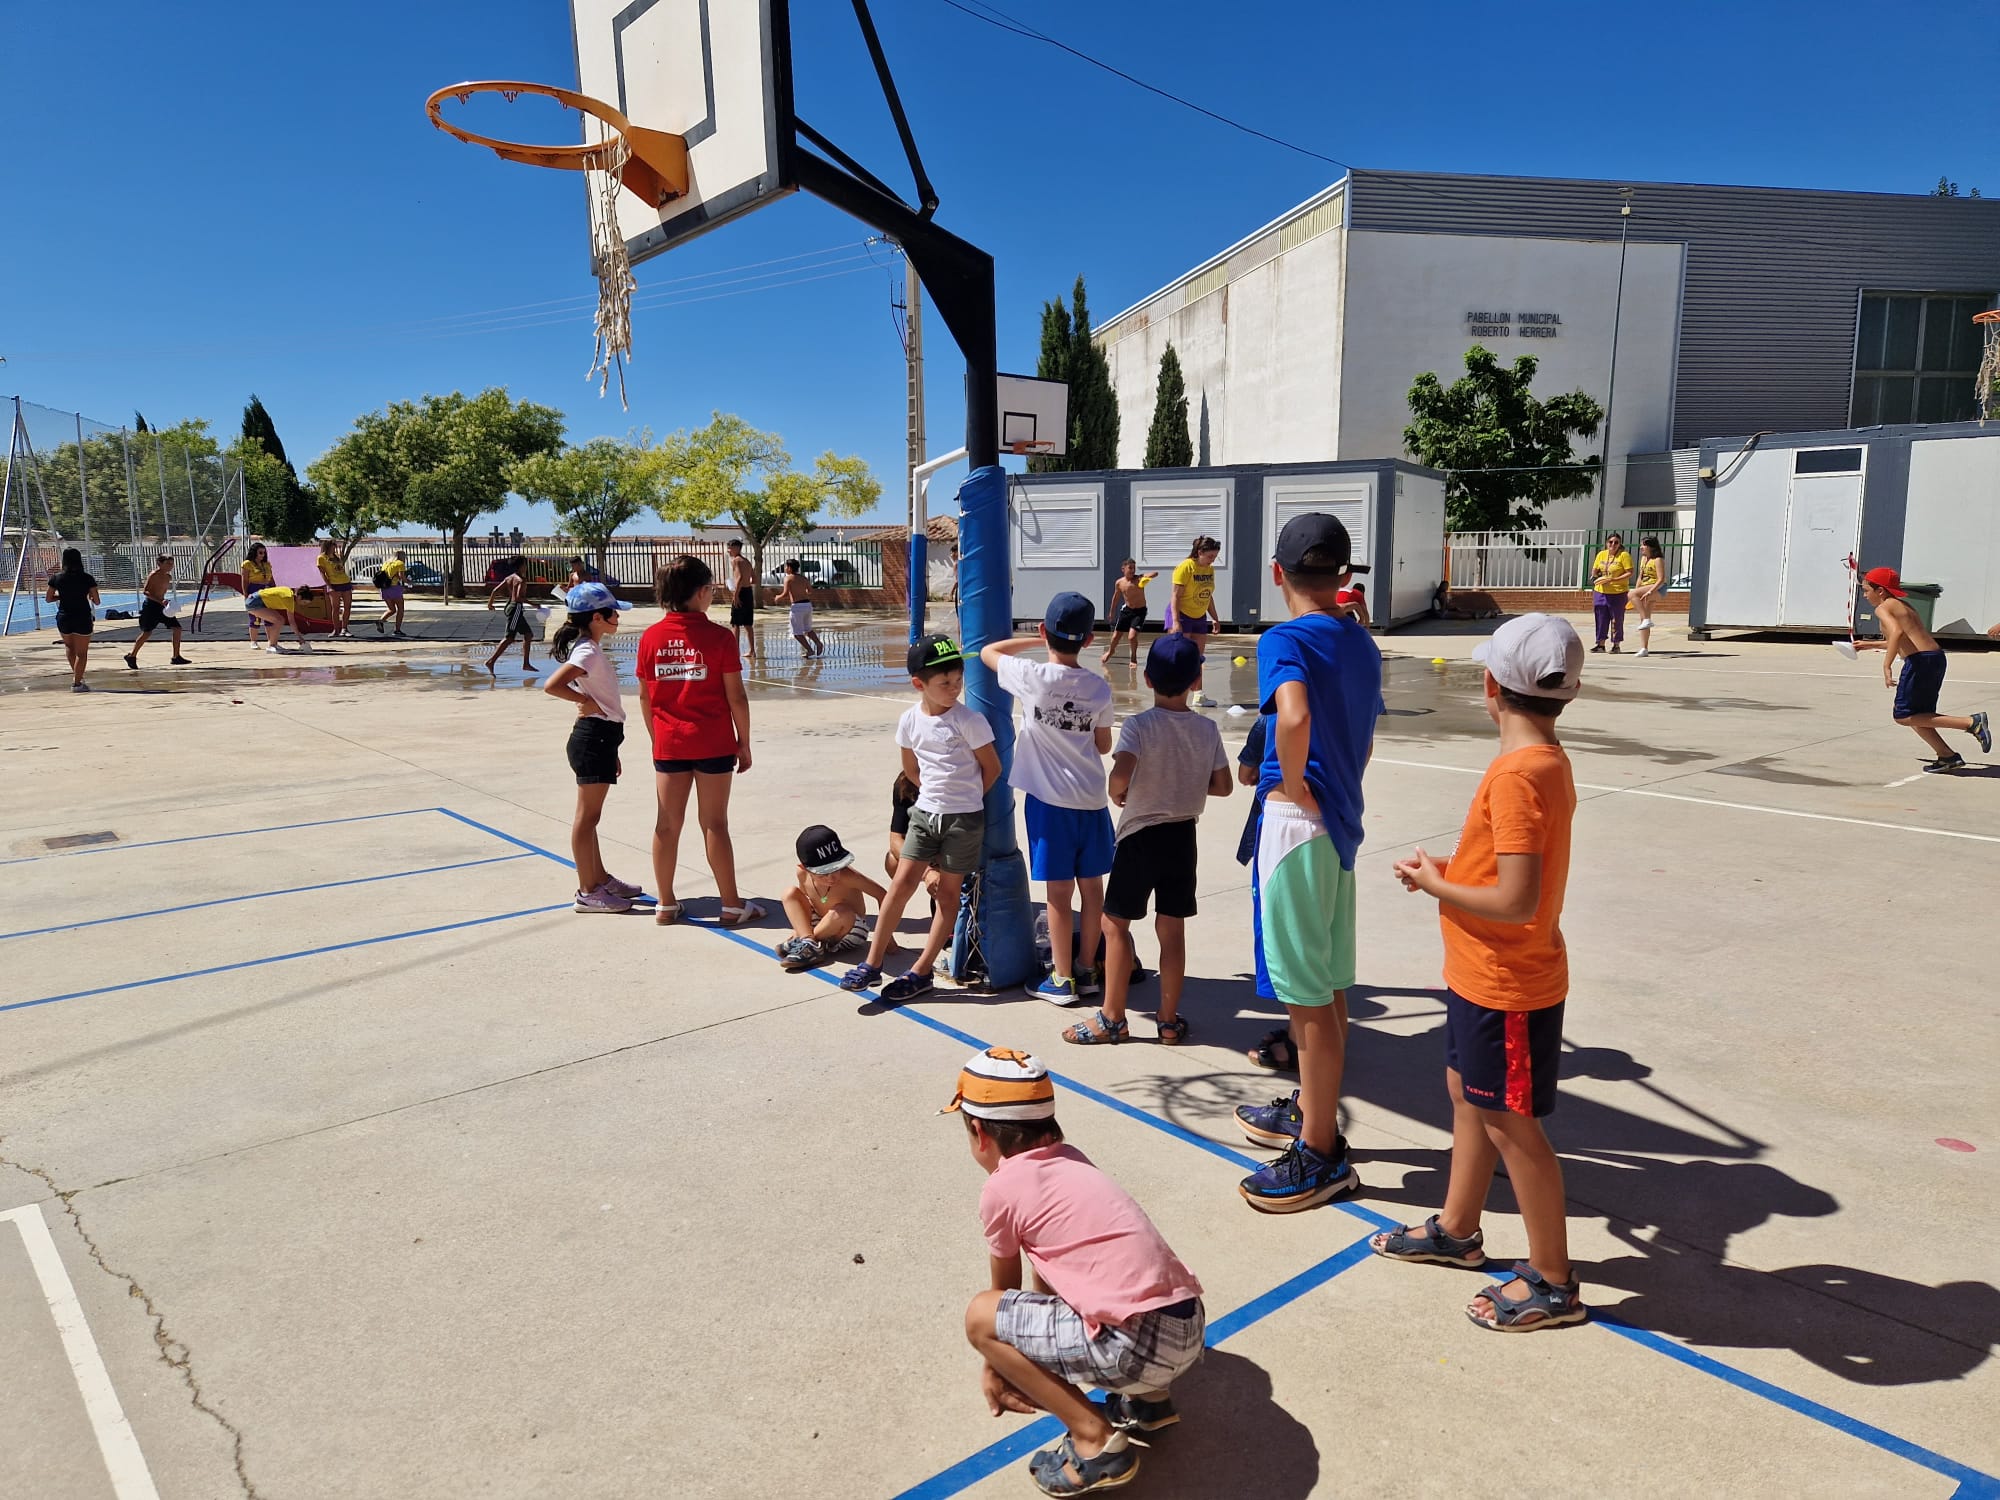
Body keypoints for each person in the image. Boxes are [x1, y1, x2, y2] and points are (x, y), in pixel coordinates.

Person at [1378, 612, 1589, 1332]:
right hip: (1480, 974)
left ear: (1491, 686)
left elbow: (1515, 897)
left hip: (1508, 983)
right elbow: (1502, 873)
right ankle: (1458, 1228)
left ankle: (1554, 1281)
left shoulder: (1515, 776)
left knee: (1511, 1125)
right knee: (1467, 1096)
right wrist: (1450, 870)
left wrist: (1436, 886)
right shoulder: (1546, 763)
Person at [948, 1048, 1205, 1496]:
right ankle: (1150, 1403)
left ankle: (1095, 1439)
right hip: (1188, 1326)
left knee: (980, 1317)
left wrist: (996, 1366)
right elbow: (1052, 1280)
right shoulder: (1071, 1160)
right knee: (1102, 1292)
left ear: (978, 1132)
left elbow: (1002, 1298)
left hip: (1137, 1349)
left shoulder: (1002, 1188)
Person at [1232, 514, 1379, 1213]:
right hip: (1341, 826)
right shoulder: (1361, 641)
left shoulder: (1282, 638)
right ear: (1344, 577)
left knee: (1306, 997)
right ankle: (1315, 1110)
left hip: (1296, 828)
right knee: (1328, 985)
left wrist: (1291, 783)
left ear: (1278, 573)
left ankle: (1320, 1151)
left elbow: (1291, 717)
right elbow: (1365, 735)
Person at [1063, 635, 1230, 1047]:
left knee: (1114, 923)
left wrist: (1122, 791)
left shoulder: (1139, 726)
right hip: (1182, 836)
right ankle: (1169, 1019)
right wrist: (1184, 784)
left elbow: (1119, 776)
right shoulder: (1206, 729)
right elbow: (1223, 785)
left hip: (1139, 837)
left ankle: (1112, 1017)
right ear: (1196, 682)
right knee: (1171, 930)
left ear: (1149, 679)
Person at [840, 635, 1000, 1002]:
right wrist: (933, 794)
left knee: (947, 894)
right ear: (919, 684)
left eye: (958, 680)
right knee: (900, 884)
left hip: (963, 819)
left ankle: (922, 969)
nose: (953, 688)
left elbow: (991, 768)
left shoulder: (968, 720)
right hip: (925, 814)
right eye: (944, 683)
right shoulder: (910, 720)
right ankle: (873, 962)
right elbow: (910, 768)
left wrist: (966, 797)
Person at [981, 594, 1116, 1005]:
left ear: (1044, 632)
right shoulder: (1098, 686)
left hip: (1050, 803)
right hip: (1092, 800)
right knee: (1092, 889)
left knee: (1058, 896)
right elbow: (1104, 743)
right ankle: (1087, 968)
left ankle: (1061, 978)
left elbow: (989, 652)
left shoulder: (1032, 675)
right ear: (1089, 640)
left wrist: (1035, 642)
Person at [636, 555, 760, 928]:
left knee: (666, 825)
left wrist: (657, 738)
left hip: (670, 745)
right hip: (714, 744)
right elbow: (736, 696)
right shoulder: (720, 638)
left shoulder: (650, 638)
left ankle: (666, 903)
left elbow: (644, 696)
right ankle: (731, 904)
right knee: (714, 824)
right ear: (702, 592)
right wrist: (745, 741)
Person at [542, 582, 648, 915]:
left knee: (592, 818)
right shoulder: (587, 650)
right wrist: (583, 700)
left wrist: (612, 749)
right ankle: (588, 891)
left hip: (603, 738)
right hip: (593, 737)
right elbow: (553, 685)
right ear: (597, 617)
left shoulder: (591, 647)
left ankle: (599, 878)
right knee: (586, 819)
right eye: (613, 612)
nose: (617, 617)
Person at [1855, 567, 1991, 772]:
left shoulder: (1883, 608)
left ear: (1880, 590)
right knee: (1919, 715)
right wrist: (1866, 645)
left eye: (1866, 590)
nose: (1865, 595)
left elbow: (1897, 633)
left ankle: (1971, 723)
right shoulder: (1903, 605)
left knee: (1902, 715)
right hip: (1933, 658)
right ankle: (1947, 756)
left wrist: (1886, 665)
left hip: (1920, 662)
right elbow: (1905, 639)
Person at [1234, 713, 1293, 1073]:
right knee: (1321, 948)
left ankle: (1299, 1044)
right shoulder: (1351, 694)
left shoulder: (1273, 716)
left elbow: (1246, 774)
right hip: (1338, 824)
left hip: (1287, 830)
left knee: (1286, 946)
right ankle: (1307, 1034)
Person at [776, 824, 887, 972]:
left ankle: (807, 943)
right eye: (823, 873)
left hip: (848, 929)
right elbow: (806, 901)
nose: (832, 878)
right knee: (789, 893)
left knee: (840, 912)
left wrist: (886, 938)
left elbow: (883, 895)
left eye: (836, 868)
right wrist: (801, 927)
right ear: (804, 868)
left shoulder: (849, 877)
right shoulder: (801, 874)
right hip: (821, 922)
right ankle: (808, 941)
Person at [1169, 536, 1222, 706]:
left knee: (1197, 657)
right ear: (1200, 552)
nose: (1212, 560)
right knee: (1182, 656)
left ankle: (1198, 695)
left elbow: (1208, 594)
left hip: (1199, 615)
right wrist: (1176, 621)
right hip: (1182, 614)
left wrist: (1215, 617)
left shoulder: (1209, 570)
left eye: (1214, 557)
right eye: (1210, 556)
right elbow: (1176, 596)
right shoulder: (1186, 567)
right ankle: (1175, 694)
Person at [45, 548, 100, 691]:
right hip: (82, 616)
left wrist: (62, 596)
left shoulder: (56, 578)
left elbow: (49, 598)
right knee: (82, 653)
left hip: (64, 616)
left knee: (69, 647)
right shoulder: (87, 578)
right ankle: (76, 683)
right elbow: (97, 600)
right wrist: (87, 595)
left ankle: (78, 677)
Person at [124, 553, 191, 670]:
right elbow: (146, 592)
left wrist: (166, 602)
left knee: (177, 628)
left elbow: (161, 592)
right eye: (167, 563)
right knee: (147, 632)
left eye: (172, 564)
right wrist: (160, 600)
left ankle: (176, 656)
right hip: (151, 606)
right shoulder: (154, 575)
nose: (170, 566)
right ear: (159, 563)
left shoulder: (168, 577)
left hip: (162, 606)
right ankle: (132, 656)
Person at [484, 556, 538, 674]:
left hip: (511, 607)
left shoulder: (510, 578)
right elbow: (519, 597)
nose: (526, 566)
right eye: (525, 564)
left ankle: (526, 664)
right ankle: (491, 661)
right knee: (509, 638)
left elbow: (495, 591)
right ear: (521, 566)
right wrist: (534, 604)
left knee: (528, 635)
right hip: (515, 609)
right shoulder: (521, 580)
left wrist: (490, 604)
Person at [1098, 559, 1156, 666]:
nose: (1132, 570)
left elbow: (1155, 573)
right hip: (1127, 610)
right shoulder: (1119, 583)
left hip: (1139, 611)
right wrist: (1112, 612)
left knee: (1132, 637)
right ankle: (1111, 651)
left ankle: (1133, 657)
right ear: (1123, 569)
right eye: (1130, 568)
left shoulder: (1138, 579)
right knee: (1116, 636)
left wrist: (1147, 577)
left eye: (1134, 568)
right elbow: (1115, 598)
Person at [1588, 532, 1633, 653]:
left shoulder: (1623, 555)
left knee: (1616, 618)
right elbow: (1595, 569)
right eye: (1610, 542)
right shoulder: (1601, 554)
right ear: (1606, 543)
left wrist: (1613, 579)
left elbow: (1629, 572)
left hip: (1618, 592)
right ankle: (1600, 644)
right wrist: (1595, 575)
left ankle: (1616, 644)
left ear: (1619, 544)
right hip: (1601, 591)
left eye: (1616, 542)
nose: (1613, 544)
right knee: (1601, 617)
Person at [775, 560, 823, 658]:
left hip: (797, 607)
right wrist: (802, 592)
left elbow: (785, 593)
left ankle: (809, 650)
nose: (785, 569)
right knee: (808, 629)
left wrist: (777, 597)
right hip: (807, 605)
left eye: (785, 567)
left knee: (796, 633)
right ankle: (818, 643)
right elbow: (810, 591)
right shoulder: (803, 578)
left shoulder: (788, 578)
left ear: (789, 568)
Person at [244, 584, 310, 652]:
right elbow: (292, 622)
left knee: (279, 619)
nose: (303, 605)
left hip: (254, 600)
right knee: (279, 620)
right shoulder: (289, 599)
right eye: (304, 602)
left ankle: (273, 643)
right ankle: (272, 645)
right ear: (299, 597)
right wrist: (299, 637)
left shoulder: (289, 591)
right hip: (254, 603)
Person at [1629, 537, 1665, 657]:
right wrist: (1637, 588)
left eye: (1644, 545)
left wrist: (1650, 591)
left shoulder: (1658, 560)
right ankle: (1644, 648)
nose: (1641, 548)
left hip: (1657, 588)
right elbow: (1641, 576)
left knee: (1630, 594)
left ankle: (1646, 620)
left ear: (1651, 547)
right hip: (1645, 587)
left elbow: (1661, 579)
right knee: (1643, 619)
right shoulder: (1644, 559)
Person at [725, 539, 758, 664]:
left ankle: (735, 650)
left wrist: (736, 595)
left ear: (737, 548)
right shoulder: (747, 562)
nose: (729, 551)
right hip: (748, 592)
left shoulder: (736, 561)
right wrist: (745, 585)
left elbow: (739, 578)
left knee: (735, 623)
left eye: (730, 548)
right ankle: (752, 650)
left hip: (741, 593)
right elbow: (754, 579)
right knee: (748, 624)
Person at [317, 539, 355, 638]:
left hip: (345, 582)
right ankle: (336, 629)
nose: (335, 547)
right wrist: (329, 586)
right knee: (336, 608)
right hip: (334, 584)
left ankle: (345, 628)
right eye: (333, 545)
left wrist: (350, 583)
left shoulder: (337, 557)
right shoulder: (322, 558)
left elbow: (342, 570)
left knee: (347, 606)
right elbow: (323, 573)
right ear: (328, 546)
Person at [240, 543, 275, 646]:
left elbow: (272, 579)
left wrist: (275, 589)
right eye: (260, 553)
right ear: (254, 552)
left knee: (269, 617)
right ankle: (254, 641)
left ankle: (271, 641)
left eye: (264, 553)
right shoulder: (247, 564)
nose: (262, 555)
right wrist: (246, 594)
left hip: (267, 590)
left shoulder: (267, 564)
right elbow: (245, 580)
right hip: (254, 589)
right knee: (255, 617)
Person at [376, 550, 409, 636]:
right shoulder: (400, 563)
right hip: (394, 588)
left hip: (384, 588)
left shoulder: (386, 563)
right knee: (400, 609)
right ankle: (397, 630)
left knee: (392, 609)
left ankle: (381, 620)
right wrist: (408, 582)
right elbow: (401, 576)